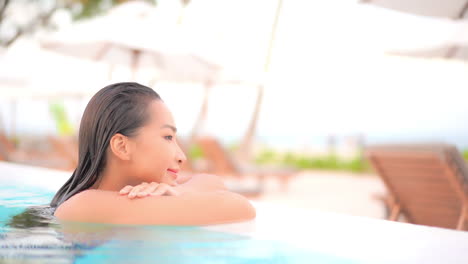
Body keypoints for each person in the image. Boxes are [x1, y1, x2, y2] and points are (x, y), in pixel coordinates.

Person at [50, 82, 255, 225]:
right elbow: (241, 207)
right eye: (167, 137)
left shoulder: (136, 190)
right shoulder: (83, 207)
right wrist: (180, 194)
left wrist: (176, 190)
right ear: (122, 146)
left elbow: (213, 182)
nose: (181, 156)